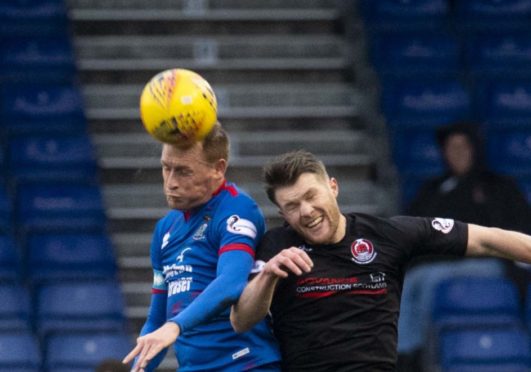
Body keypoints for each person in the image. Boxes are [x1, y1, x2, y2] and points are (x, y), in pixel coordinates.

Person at [230, 149, 531, 372]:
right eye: (292, 206)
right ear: (282, 215)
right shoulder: (276, 247)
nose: (306, 211)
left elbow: (486, 239)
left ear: (333, 187)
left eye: (311, 195)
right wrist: (269, 275)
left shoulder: (386, 235)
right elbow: (241, 319)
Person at [122, 123, 280, 371]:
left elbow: (231, 283)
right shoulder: (165, 229)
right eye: (166, 168)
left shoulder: (237, 209)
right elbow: (156, 320)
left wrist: (175, 326)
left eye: (183, 171)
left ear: (218, 169)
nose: (171, 182)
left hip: (245, 363)